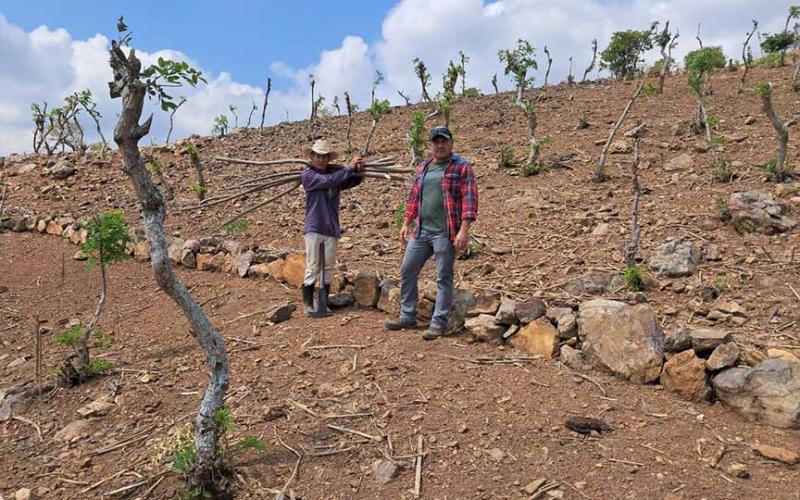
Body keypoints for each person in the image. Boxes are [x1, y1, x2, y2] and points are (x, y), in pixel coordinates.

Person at [384, 126, 478, 340]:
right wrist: (406, 222)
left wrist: (464, 230)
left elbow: (470, 201)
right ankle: (407, 315)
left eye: (444, 141)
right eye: (436, 141)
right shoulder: (424, 166)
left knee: (443, 276)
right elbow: (414, 196)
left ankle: (438, 323)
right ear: (431, 144)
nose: (440, 145)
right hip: (422, 231)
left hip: (445, 232)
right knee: (407, 269)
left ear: (451, 143)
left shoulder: (462, 168)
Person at [301, 139, 363, 316]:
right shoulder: (308, 176)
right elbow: (329, 180)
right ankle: (307, 305)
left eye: (324, 157)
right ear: (312, 157)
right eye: (318, 156)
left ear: (328, 158)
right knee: (312, 266)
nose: (321, 160)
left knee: (327, 267)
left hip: (331, 226)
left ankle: (323, 303)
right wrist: (349, 168)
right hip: (314, 225)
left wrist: (358, 171)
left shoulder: (335, 176)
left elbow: (350, 182)